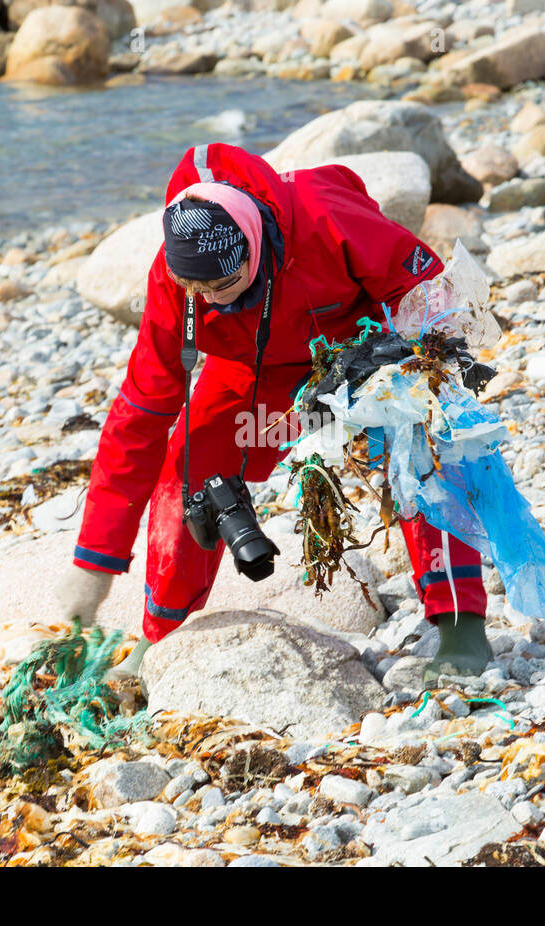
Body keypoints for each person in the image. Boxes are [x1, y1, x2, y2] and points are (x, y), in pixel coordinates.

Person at [54, 142, 493, 686]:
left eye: (222, 285)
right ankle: (162, 637)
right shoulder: (175, 282)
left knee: (422, 440)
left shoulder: (327, 217)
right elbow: (139, 412)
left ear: (254, 248)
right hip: (251, 371)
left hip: (357, 347)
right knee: (190, 454)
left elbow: (432, 300)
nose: (209, 302)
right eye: (196, 290)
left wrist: (405, 371)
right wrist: (93, 564)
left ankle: (461, 627)